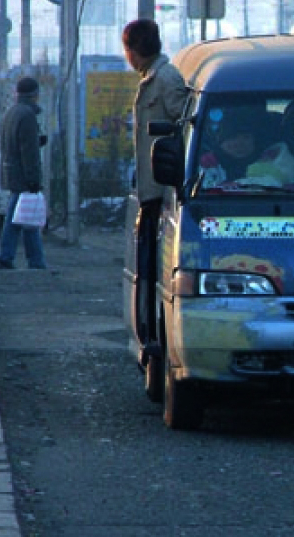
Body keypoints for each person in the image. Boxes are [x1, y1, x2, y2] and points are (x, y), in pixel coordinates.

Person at [122, 19, 188, 346]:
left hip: (162, 193)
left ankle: (155, 339)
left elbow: (184, 131)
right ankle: (148, 336)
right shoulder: (151, 78)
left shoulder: (166, 79)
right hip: (150, 192)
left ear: (134, 50)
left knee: (155, 274)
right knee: (145, 274)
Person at [0, 76, 46, 270]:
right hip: (22, 175)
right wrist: (33, 179)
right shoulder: (27, 116)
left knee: (23, 217)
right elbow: (29, 152)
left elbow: (12, 143)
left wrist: (36, 141)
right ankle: (14, 257)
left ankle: (32, 259)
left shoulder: (12, 112)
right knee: (21, 218)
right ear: (35, 95)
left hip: (11, 170)